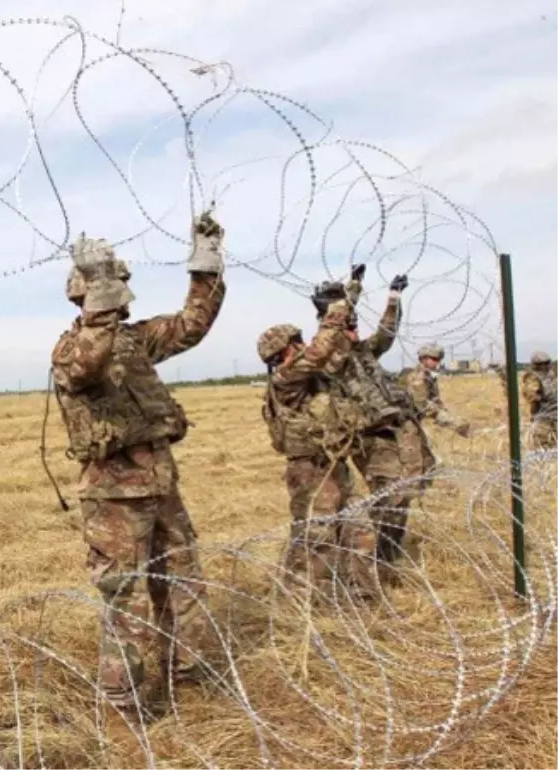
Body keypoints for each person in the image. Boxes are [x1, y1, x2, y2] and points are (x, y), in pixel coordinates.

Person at [50, 211, 226, 722]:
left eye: (121, 283)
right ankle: (124, 700)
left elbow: (193, 324)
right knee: (124, 597)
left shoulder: (136, 339)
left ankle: (188, 673)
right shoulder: (71, 350)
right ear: (86, 293)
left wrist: (207, 260)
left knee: (183, 581)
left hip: (160, 484)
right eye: (111, 285)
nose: (123, 293)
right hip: (114, 496)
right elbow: (89, 361)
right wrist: (100, 290)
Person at [257, 306, 379, 600]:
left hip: (334, 465)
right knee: (316, 540)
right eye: (297, 341)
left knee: (360, 531)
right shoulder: (286, 379)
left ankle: (361, 597)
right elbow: (320, 351)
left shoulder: (314, 378)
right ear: (285, 351)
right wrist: (336, 309)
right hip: (310, 472)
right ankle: (307, 604)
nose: (303, 345)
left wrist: (350, 299)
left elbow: (339, 350)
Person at [325, 266, 421, 582]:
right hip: (368, 438)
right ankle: (374, 564)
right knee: (388, 499)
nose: (354, 331)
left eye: (355, 327)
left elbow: (386, 332)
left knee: (398, 498)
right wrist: (352, 288)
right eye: (348, 327)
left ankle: (386, 561)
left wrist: (393, 298)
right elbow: (335, 321)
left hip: (392, 434)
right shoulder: (332, 359)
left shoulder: (365, 351)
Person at [522, 351, 557, 450]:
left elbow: (533, 399)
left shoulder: (546, 376)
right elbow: (532, 396)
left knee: (547, 451)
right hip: (548, 417)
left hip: (549, 417)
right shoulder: (535, 377)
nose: (543, 367)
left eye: (545, 364)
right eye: (540, 364)